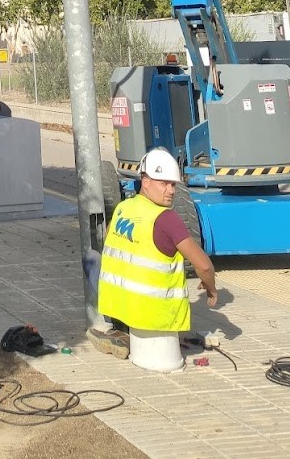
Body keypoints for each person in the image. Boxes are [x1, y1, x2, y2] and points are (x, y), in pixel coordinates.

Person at [88, 147, 217, 359]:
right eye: (163, 183)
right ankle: (127, 335)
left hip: (118, 306)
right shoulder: (166, 218)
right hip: (154, 315)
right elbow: (203, 266)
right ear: (145, 181)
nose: (171, 190)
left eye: (173, 184)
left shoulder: (122, 208)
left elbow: (112, 244)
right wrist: (211, 289)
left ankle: (119, 331)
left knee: (92, 260)